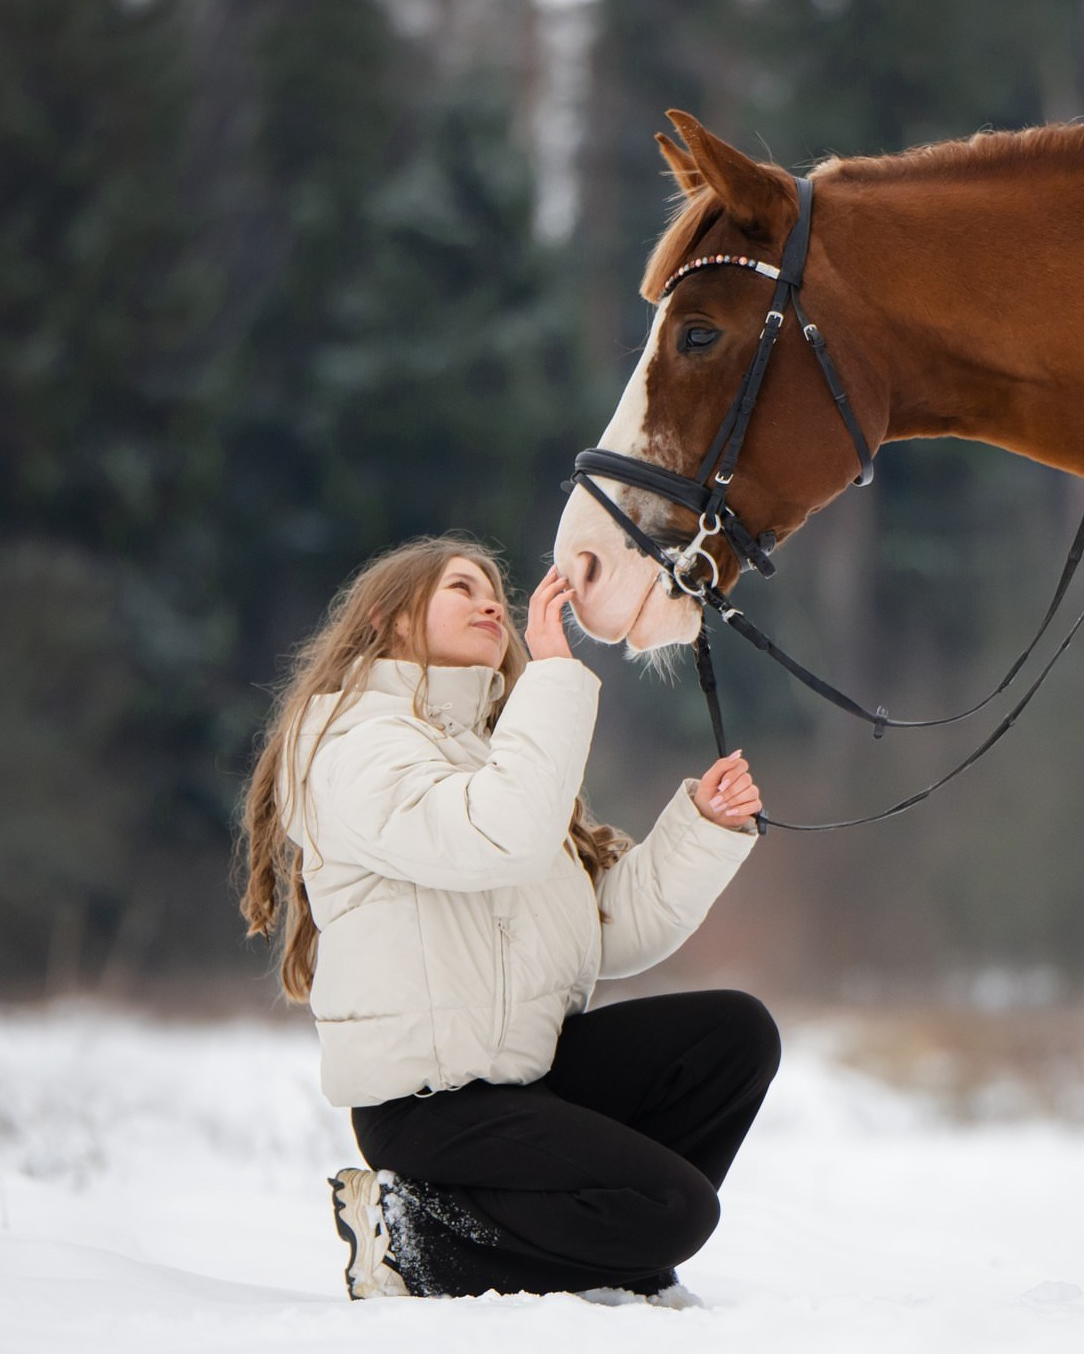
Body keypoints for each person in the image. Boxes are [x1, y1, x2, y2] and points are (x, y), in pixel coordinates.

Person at [236, 534, 779, 1305]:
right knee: (678, 1209)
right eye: (461, 586)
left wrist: (700, 826)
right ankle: (413, 1239)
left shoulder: (502, 755)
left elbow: (605, 936)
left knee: (732, 1034)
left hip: (525, 1076)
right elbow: (496, 838)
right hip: (430, 1106)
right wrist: (554, 677)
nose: (491, 600)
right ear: (390, 619)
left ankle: (608, 1253)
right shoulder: (352, 743)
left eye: (495, 586)